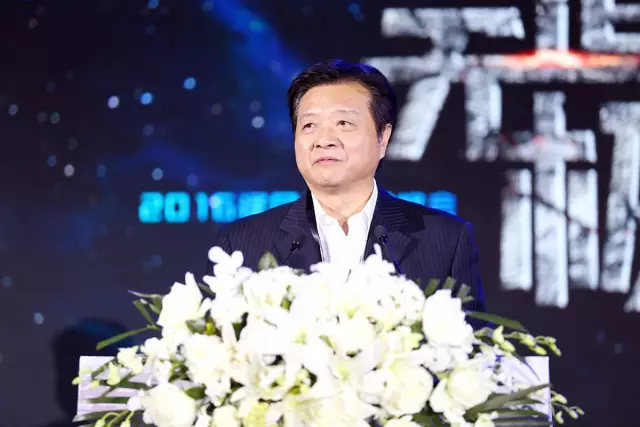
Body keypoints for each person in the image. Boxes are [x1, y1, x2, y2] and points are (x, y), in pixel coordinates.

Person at [208, 59, 485, 312]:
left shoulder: (446, 241)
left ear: (383, 138)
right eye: (309, 126)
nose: (323, 140)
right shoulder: (240, 245)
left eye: (343, 123)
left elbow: (470, 344)